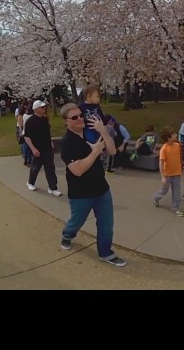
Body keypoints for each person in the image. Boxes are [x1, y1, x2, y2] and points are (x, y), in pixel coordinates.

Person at [58, 103, 127, 267]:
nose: (80, 119)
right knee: (77, 221)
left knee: (106, 224)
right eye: (74, 117)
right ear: (66, 121)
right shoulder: (67, 143)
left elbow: (112, 151)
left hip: (101, 189)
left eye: (81, 115)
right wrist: (95, 152)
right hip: (80, 193)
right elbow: (77, 170)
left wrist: (103, 131)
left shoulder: (91, 133)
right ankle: (68, 234)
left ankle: (105, 253)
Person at [24, 100, 61, 196]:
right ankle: (30, 182)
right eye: (42, 107)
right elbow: (26, 136)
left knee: (50, 168)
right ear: (36, 109)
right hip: (37, 149)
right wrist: (33, 149)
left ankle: (53, 187)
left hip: (47, 148)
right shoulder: (30, 121)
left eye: (44, 107)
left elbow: (47, 133)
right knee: (35, 167)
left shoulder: (45, 120)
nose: (44, 109)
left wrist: (50, 142)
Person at [152, 126, 184, 217]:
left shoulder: (178, 145)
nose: (176, 135)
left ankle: (175, 208)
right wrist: (163, 177)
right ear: (169, 137)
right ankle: (156, 198)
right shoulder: (164, 149)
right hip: (167, 174)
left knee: (176, 191)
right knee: (164, 190)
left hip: (177, 173)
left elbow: (181, 156)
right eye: (174, 134)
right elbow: (161, 163)